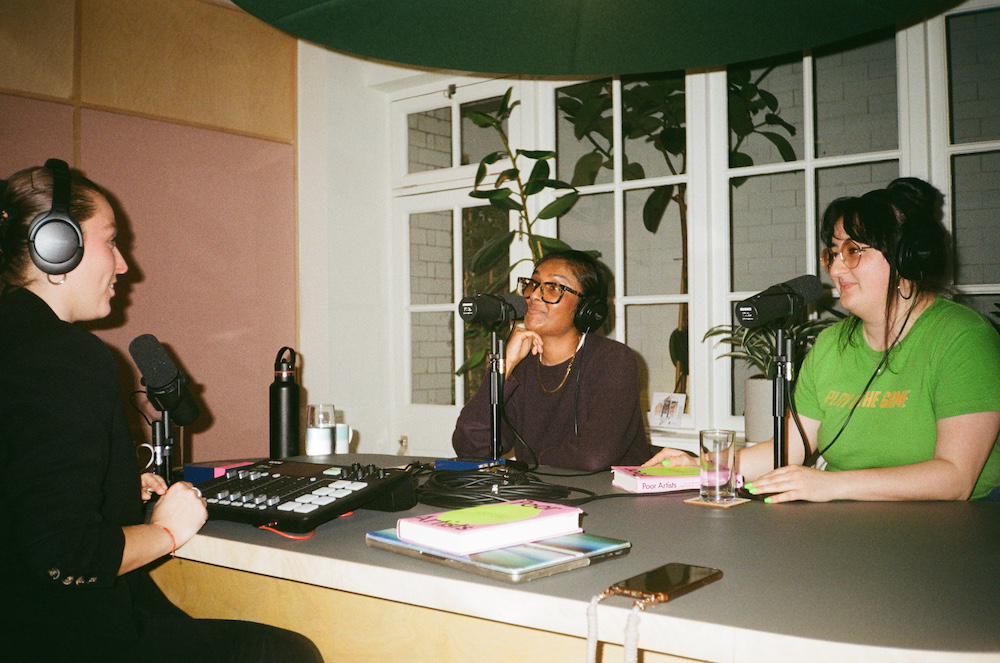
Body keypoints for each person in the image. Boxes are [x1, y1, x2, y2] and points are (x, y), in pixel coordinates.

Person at [0, 160, 324, 662]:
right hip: (60, 637)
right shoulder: (67, 357)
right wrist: (167, 531)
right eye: (110, 241)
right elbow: (63, 559)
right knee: (284, 654)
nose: (125, 265)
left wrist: (111, 489)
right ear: (57, 246)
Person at [646, 177, 1000, 502]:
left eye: (853, 251)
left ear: (906, 259)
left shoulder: (963, 339)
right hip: (846, 523)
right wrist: (703, 465)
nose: (834, 269)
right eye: (833, 252)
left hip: (953, 531)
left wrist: (831, 484)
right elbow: (788, 450)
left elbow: (956, 478)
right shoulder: (831, 345)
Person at [452, 250, 651, 470]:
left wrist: (525, 466)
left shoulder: (613, 360)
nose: (534, 296)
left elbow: (592, 457)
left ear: (586, 308)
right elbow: (470, 447)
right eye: (533, 284)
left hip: (613, 498)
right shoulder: (521, 366)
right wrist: (503, 368)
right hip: (542, 497)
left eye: (553, 287)